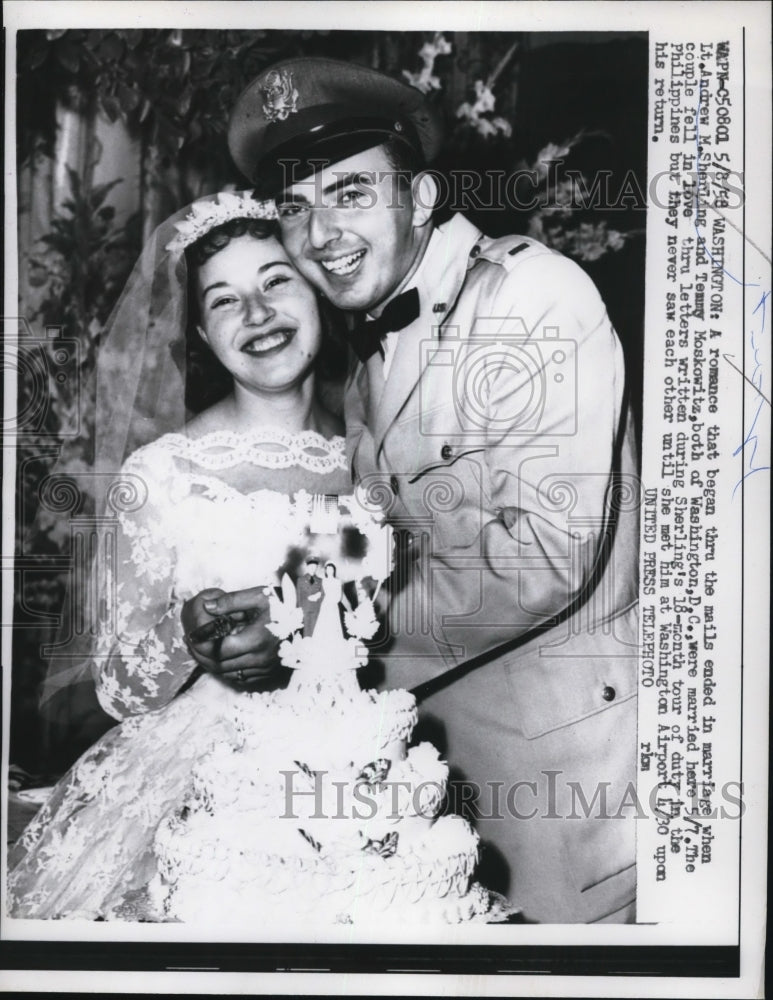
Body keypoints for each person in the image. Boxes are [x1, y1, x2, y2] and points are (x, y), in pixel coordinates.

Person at [218, 58, 641, 923]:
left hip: (558, 799)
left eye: (350, 193)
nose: (319, 232)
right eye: (294, 206)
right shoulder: (368, 348)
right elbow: (387, 543)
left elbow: (541, 561)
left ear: (420, 196)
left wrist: (316, 631)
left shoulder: (528, 296)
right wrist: (276, 602)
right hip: (437, 796)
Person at [7, 191, 350, 919]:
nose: (257, 313)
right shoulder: (163, 474)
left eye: (277, 280)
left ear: (320, 290)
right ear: (198, 330)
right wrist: (185, 635)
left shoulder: (375, 448)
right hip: (208, 782)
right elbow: (119, 689)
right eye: (224, 300)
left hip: (360, 762)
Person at [295, 556, 323, 636]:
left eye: (314, 567)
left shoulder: (320, 581)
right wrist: (299, 611)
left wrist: (317, 597)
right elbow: (298, 596)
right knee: (306, 633)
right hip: (305, 610)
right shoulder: (300, 580)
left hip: (316, 609)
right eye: (311, 567)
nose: (313, 569)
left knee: (315, 633)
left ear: (316, 568)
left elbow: (323, 595)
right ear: (307, 567)